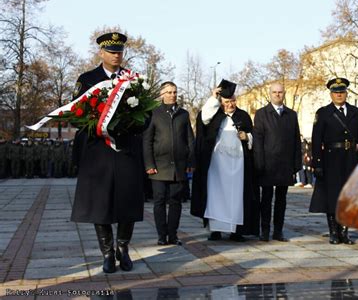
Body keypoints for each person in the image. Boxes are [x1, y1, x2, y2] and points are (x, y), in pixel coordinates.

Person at [70, 32, 146, 273]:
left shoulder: (132, 80)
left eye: (119, 51)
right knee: (100, 204)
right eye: (111, 51)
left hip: (125, 150)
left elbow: (146, 115)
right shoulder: (87, 79)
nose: (116, 55)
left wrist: (128, 123)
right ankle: (107, 252)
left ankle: (123, 249)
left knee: (128, 202)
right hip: (98, 152)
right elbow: (76, 115)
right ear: (101, 53)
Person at [191, 79, 259, 241]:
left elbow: (253, 137)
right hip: (217, 166)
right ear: (221, 102)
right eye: (227, 101)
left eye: (233, 101)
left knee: (236, 197)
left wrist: (247, 137)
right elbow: (204, 117)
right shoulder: (214, 115)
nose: (231, 104)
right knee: (216, 197)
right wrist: (214, 97)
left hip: (238, 166)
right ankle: (215, 230)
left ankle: (236, 231)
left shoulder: (243, 116)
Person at [309, 77, 358, 245]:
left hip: (350, 158)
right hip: (330, 159)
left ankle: (345, 232)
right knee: (332, 196)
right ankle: (334, 232)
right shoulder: (323, 113)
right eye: (336, 92)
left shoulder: (357, 113)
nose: (339, 95)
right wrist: (317, 163)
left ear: (346, 93)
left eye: (342, 92)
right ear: (331, 94)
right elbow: (316, 140)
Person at [143, 81, 195, 246]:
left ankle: (172, 235)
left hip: (178, 167)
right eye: (169, 92)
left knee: (175, 202)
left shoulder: (184, 114)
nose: (173, 95)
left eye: (175, 92)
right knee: (159, 201)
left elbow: (190, 140)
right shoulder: (153, 114)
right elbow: (147, 141)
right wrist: (149, 164)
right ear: (162, 94)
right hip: (158, 166)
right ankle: (161, 235)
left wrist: (191, 161)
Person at [253, 83, 302, 242]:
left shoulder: (291, 114)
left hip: (285, 164)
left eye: (280, 92)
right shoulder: (261, 114)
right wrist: (259, 163)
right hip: (268, 164)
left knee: (282, 200)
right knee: (266, 199)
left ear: (284, 93)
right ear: (270, 94)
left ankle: (278, 231)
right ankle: (265, 231)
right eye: (274, 92)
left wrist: (296, 165)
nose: (277, 95)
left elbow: (296, 141)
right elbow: (258, 141)